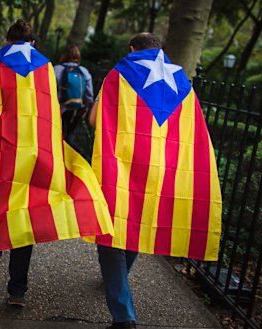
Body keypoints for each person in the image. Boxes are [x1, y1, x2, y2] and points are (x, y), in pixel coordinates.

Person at [0, 19, 113, 309]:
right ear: (33, 41)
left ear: (7, 39)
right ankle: (17, 290)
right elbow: (51, 114)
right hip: (35, 152)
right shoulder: (45, 66)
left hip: (4, 151)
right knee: (24, 212)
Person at [86, 33, 222, 329]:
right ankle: (118, 282)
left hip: (123, 166)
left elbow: (96, 120)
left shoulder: (119, 74)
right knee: (136, 222)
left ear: (132, 49)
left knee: (110, 232)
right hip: (162, 169)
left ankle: (123, 316)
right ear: (160, 50)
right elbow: (193, 133)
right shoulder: (182, 82)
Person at [53, 44, 93, 147]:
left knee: (56, 138)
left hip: (59, 110)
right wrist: (86, 109)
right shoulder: (84, 71)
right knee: (70, 139)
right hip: (77, 110)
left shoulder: (56, 69)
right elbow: (89, 94)